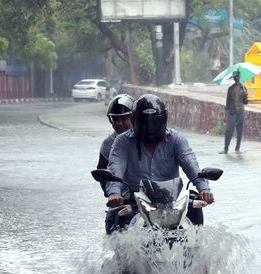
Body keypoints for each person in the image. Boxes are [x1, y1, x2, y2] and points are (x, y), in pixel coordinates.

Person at [106, 94, 214, 227]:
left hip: (171, 201)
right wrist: (114, 193)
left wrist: (204, 189)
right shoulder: (122, 141)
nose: (150, 127)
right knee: (114, 221)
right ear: (135, 120)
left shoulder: (176, 139)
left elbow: (190, 163)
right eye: (145, 123)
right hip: (135, 200)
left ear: (164, 119)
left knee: (195, 209)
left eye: (154, 122)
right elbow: (116, 167)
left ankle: (195, 245)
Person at [98, 94, 135, 196]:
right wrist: (111, 193)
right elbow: (102, 172)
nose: (119, 123)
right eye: (115, 119)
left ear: (134, 118)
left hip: (148, 197)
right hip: (122, 199)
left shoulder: (145, 139)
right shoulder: (107, 144)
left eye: (124, 118)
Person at [220, 70, 248, 154]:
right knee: (229, 131)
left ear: (239, 77)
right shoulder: (230, 89)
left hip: (240, 112)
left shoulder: (243, 88)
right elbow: (227, 103)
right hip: (232, 113)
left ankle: (237, 148)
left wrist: (246, 95)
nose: (235, 79)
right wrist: (225, 116)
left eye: (236, 77)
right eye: (234, 78)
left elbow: (245, 102)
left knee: (239, 131)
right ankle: (225, 149)